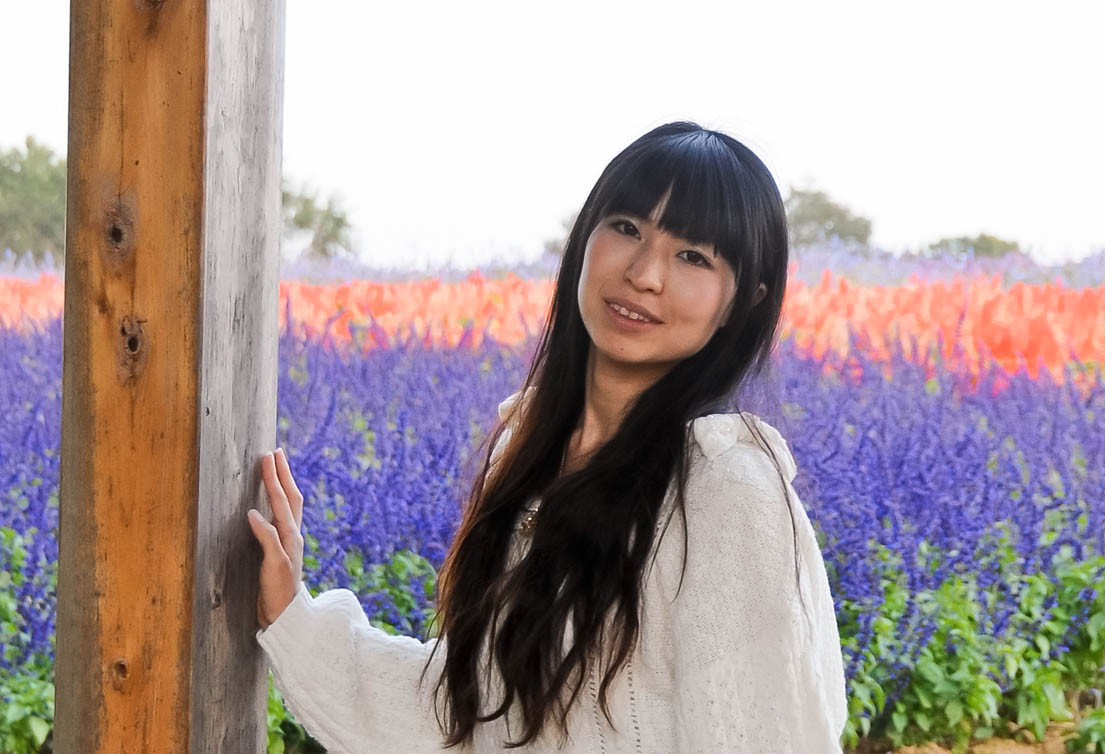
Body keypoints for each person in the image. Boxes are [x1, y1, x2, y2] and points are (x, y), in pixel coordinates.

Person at [247, 121, 848, 753]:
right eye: (627, 228)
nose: (645, 273)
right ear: (585, 236)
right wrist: (294, 617)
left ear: (744, 301)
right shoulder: (531, 450)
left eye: (694, 256)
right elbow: (472, 716)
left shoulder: (724, 490)